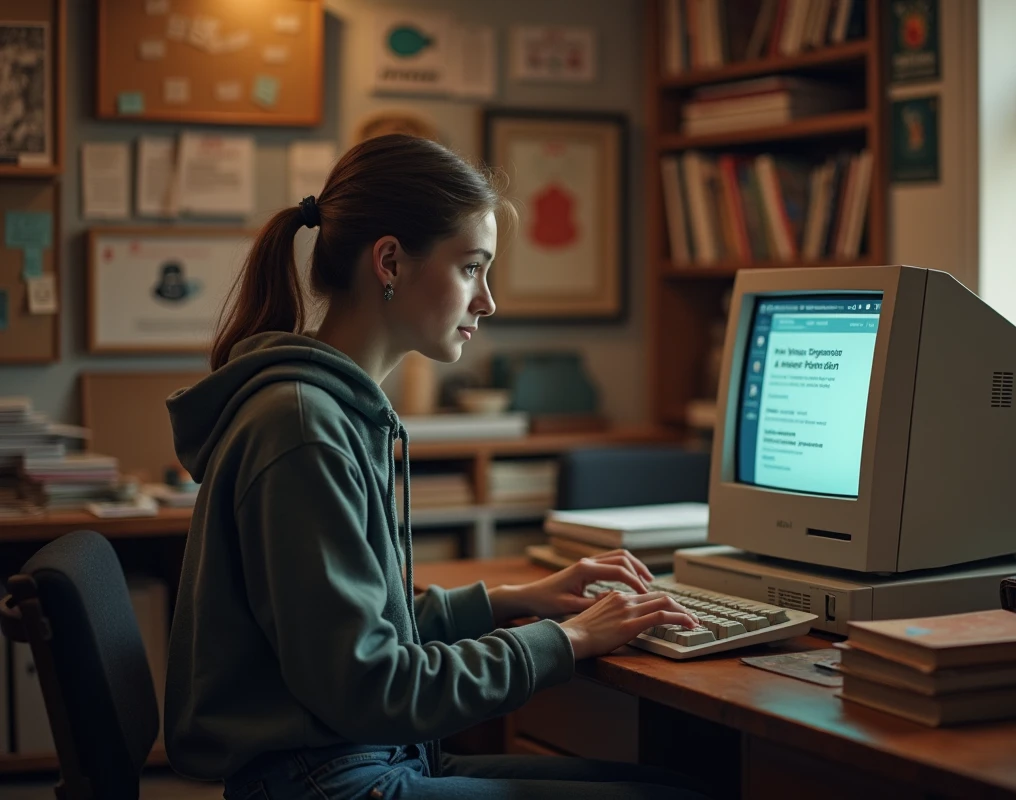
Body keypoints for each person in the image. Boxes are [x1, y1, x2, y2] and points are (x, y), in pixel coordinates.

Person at [163, 134, 709, 800]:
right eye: (472, 267)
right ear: (389, 261)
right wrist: (562, 641)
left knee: (681, 785)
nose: (488, 301)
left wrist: (514, 601)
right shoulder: (303, 427)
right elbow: (371, 684)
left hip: (354, 758)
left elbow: (355, 630)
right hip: (324, 777)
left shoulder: (331, 411)